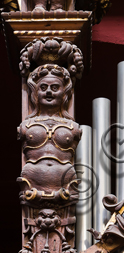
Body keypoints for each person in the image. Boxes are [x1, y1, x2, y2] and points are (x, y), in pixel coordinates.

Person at [18, 64, 82, 199]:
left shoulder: (73, 126)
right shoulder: (26, 125)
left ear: (64, 92)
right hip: (31, 184)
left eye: (54, 88)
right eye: (43, 87)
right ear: (35, 92)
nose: (48, 92)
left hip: (66, 186)